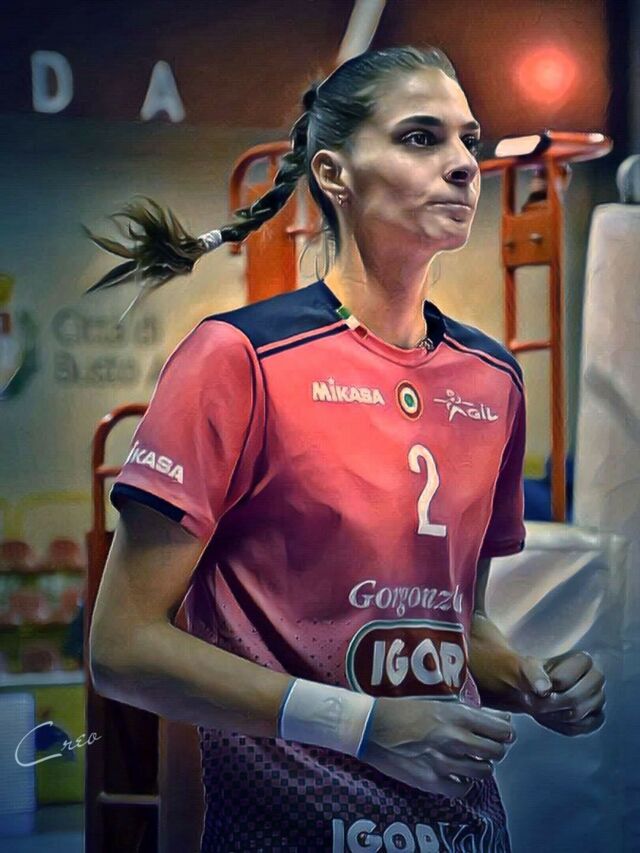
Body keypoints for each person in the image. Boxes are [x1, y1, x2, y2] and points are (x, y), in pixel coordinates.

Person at [88, 45, 606, 853]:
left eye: (468, 140)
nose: (463, 164)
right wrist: (360, 724)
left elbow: (458, 625)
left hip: (463, 830)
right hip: (289, 831)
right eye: (421, 137)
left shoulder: (494, 379)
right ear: (334, 173)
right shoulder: (237, 357)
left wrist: (533, 679)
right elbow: (121, 646)